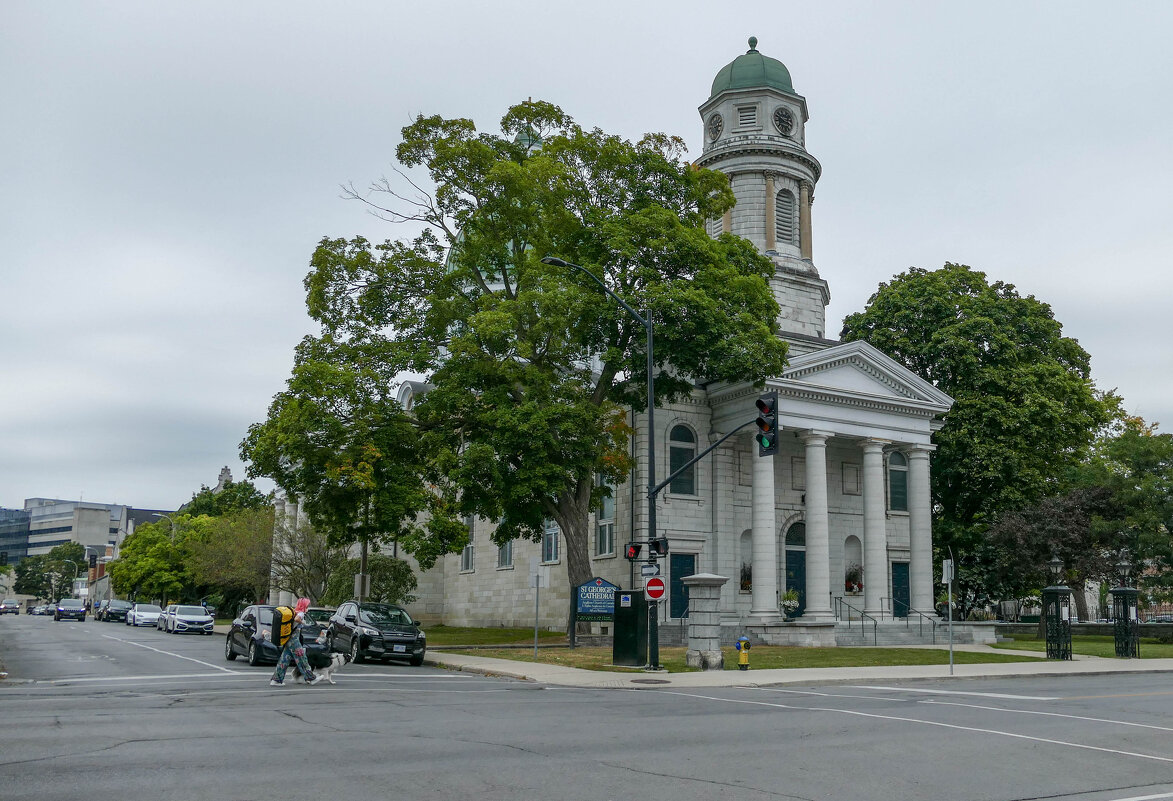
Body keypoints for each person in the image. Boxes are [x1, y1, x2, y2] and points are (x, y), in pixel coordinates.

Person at [269, 598, 322, 687]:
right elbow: (297, 619)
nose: (308, 607)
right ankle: (311, 678)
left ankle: (276, 680)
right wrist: (303, 622)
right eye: (307, 605)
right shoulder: (300, 613)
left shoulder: (294, 611)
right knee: (302, 658)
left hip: (289, 639)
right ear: (304, 606)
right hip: (294, 640)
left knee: (284, 659)